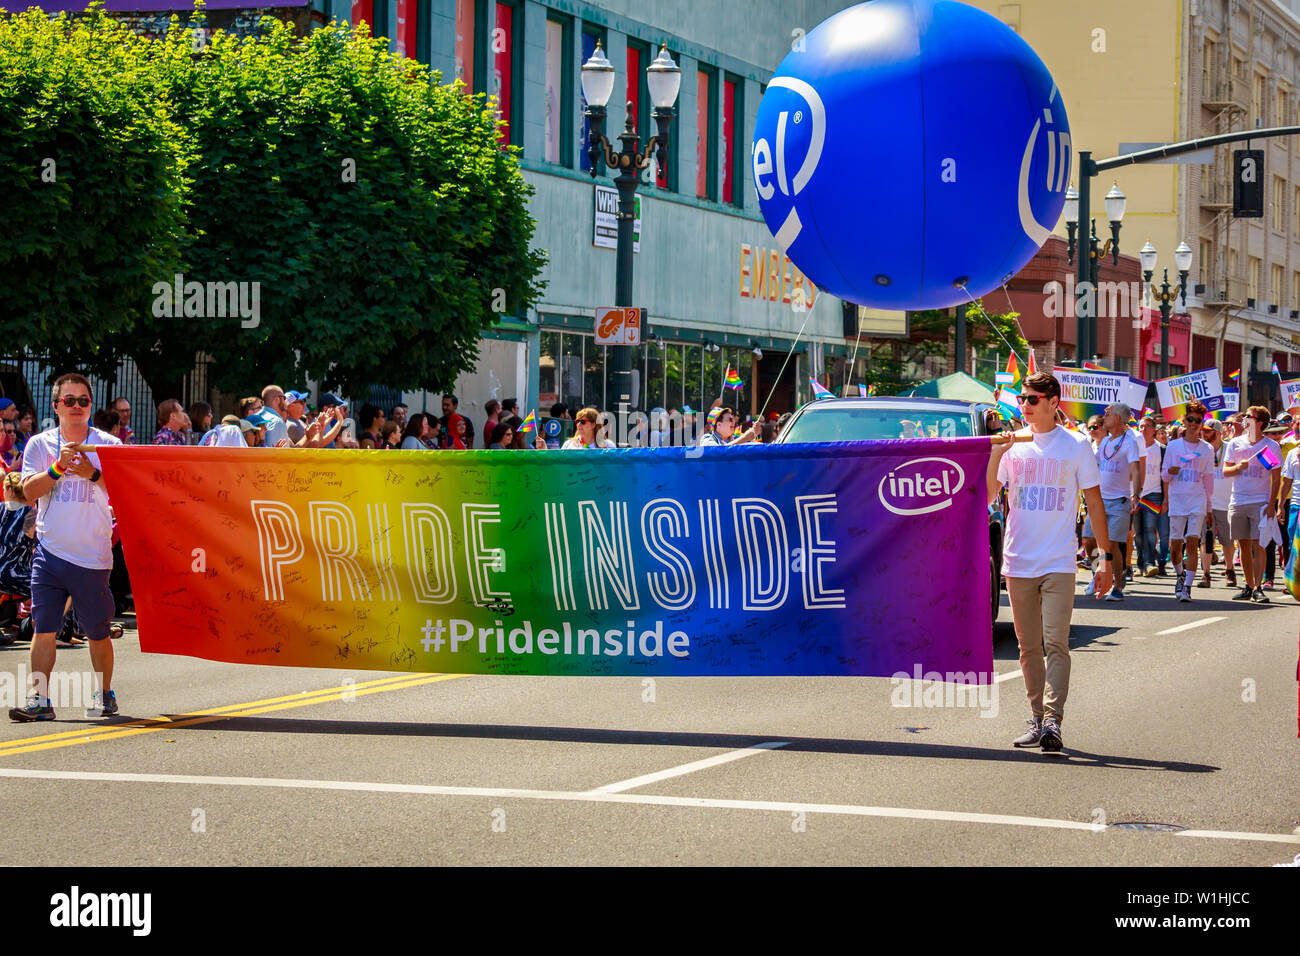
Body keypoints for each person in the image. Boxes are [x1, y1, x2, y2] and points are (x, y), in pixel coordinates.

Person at [987, 371, 1112, 754]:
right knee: (1028, 648)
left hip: (1058, 560)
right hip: (1018, 560)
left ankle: (1054, 719)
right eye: (1022, 398)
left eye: (1032, 399)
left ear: (1053, 403)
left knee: (1056, 642)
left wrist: (1104, 559)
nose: (1024, 405)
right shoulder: (1015, 445)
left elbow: (1093, 502)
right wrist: (996, 453)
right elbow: (991, 495)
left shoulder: (1075, 445)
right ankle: (1037, 718)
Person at [11, 373, 122, 721]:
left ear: (90, 406)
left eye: (83, 400)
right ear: (57, 405)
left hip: (93, 555)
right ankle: (39, 699)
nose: (76, 406)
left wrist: (92, 472)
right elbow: (27, 492)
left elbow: (126, 495)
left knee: (97, 633)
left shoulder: (108, 446)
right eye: (69, 400)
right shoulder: (39, 445)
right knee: (43, 627)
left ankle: (104, 695)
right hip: (50, 552)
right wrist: (58, 467)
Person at [1222, 404, 1283, 603]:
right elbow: (1226, 471)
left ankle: (1259, 587)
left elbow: (1276, 476)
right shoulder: (1235, 444)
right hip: (1238, 500)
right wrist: (1239, 467)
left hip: (1260, 502)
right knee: (1244, 546)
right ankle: (1249, 585)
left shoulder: (1270, 447)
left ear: (1260, 422)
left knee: (1260, 545)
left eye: (1249, 416)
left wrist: (1272, 503)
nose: (1244, 418)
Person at [1082, 405, 1142, 600]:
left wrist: (1137, 495)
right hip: (1099, 500)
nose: (1103, 418)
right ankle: (1097, 574)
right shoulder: (1106, 441)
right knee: (1089, 541)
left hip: (1120, 501)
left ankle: (1117, 586)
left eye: (1107, 415)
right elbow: (1094, 463)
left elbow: (1135, 468)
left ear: (1117, 418)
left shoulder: (1130, 442)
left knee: (1112, 545)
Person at [1160, 401, 1214, 603]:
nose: (1193, 424)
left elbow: (1208, 480)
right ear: (1184, 420)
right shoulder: (1173, 446)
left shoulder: (1207, 449)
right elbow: (1164, 476)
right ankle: (1180, 575)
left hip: (1197, 500)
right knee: (1175, 548)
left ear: (1202, 423)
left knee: (1192, 542)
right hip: (1177, 500)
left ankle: (1188, 587)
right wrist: (1169, 472)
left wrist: (1209, 507)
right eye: (1190, 419)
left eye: (1197, 421)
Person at [1199, 420, 1237, 589]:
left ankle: (1230, 570)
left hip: (1226, 502)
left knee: (1227, 541)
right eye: (1204, 431)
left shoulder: (1230, 448)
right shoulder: (1200, 450)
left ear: (1219, 433)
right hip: (1205, 504)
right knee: (1205, 540)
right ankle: (1206, 574)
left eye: (1208, 431)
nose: (1204, 434)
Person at [1136, 415, 1169, 577]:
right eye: (1141, 426)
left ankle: (1150, 563)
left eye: (1148, 426)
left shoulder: (1161, 449)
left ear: (1154, 430)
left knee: (1149, 530)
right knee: (1138, 533)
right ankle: (1140, 564)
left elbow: (1165, 477)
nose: (1144, 429)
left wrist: (1165, 500)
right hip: (1136, 495)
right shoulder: (1134, 447)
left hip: (1153, 494)